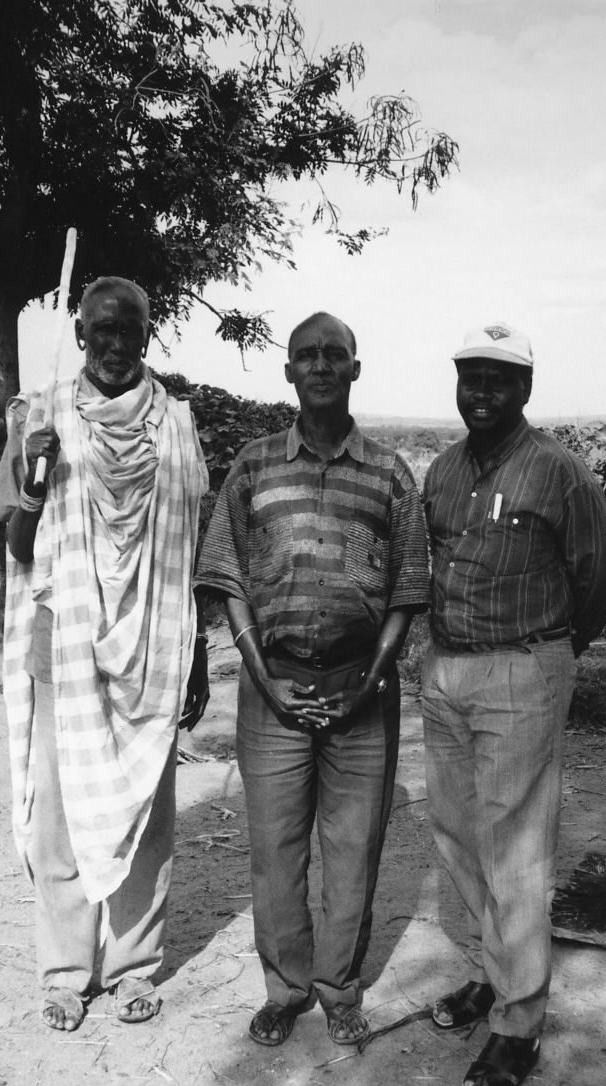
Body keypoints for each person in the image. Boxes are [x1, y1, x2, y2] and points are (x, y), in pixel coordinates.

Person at [195, 312, 430, 1047]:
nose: (320, 365)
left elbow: (407, 588)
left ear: (355, 368)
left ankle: (338, 989)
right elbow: (226, 575)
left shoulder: (389, 472)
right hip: (274, 689)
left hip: (363, 689)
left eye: (334, 354)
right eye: (306, 356)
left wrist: (370, 681)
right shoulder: (254, 464)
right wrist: (263, 681)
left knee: (354, 847)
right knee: (275, 848)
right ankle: (285, 988)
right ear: (288, 371)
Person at [0, 276, 210, 1031]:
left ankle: (134, 966)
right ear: (80, 334)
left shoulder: (176, 425)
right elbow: (18, 549)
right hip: (64, 638)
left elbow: (186, 554)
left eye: (130, 331)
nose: (115, 345)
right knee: (58, 811)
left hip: (153, 642)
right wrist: (32, 480)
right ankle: (64, 969)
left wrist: (197, 654)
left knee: (146, 806)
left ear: (148, 337)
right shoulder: (38, 418)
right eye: (101, 331)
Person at [421, 322, 606, 1086]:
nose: (481, 392)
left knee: (516, 850)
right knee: (458, 835)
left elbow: (595, 579)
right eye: (470, 376)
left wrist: (546, 658)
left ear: (525, 389)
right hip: (444, 673)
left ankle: (518, 1025)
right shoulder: (440, 470)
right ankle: (491, 976)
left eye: (498, 379)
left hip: (521, 669)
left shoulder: (556, 472)